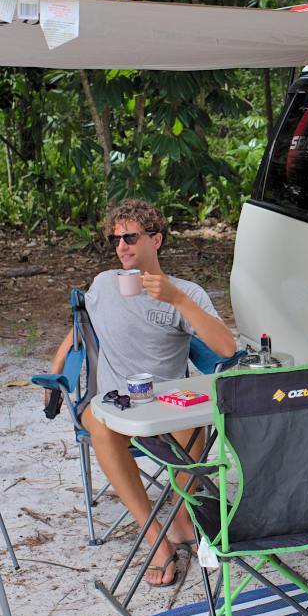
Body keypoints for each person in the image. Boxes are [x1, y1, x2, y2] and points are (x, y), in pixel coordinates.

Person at [44, 199, 236, 586]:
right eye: (116, 239)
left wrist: (176, 299)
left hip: (166, 407)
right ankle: (155, 537)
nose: (122, 246)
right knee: (97, 420)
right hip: (114, 405)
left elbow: (227, 349)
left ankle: (182, 519)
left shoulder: (187, 293)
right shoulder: (104, 284)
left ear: (157, 240)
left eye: (131, 237)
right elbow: (81, 329)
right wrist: (55, 369)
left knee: (195, 422)